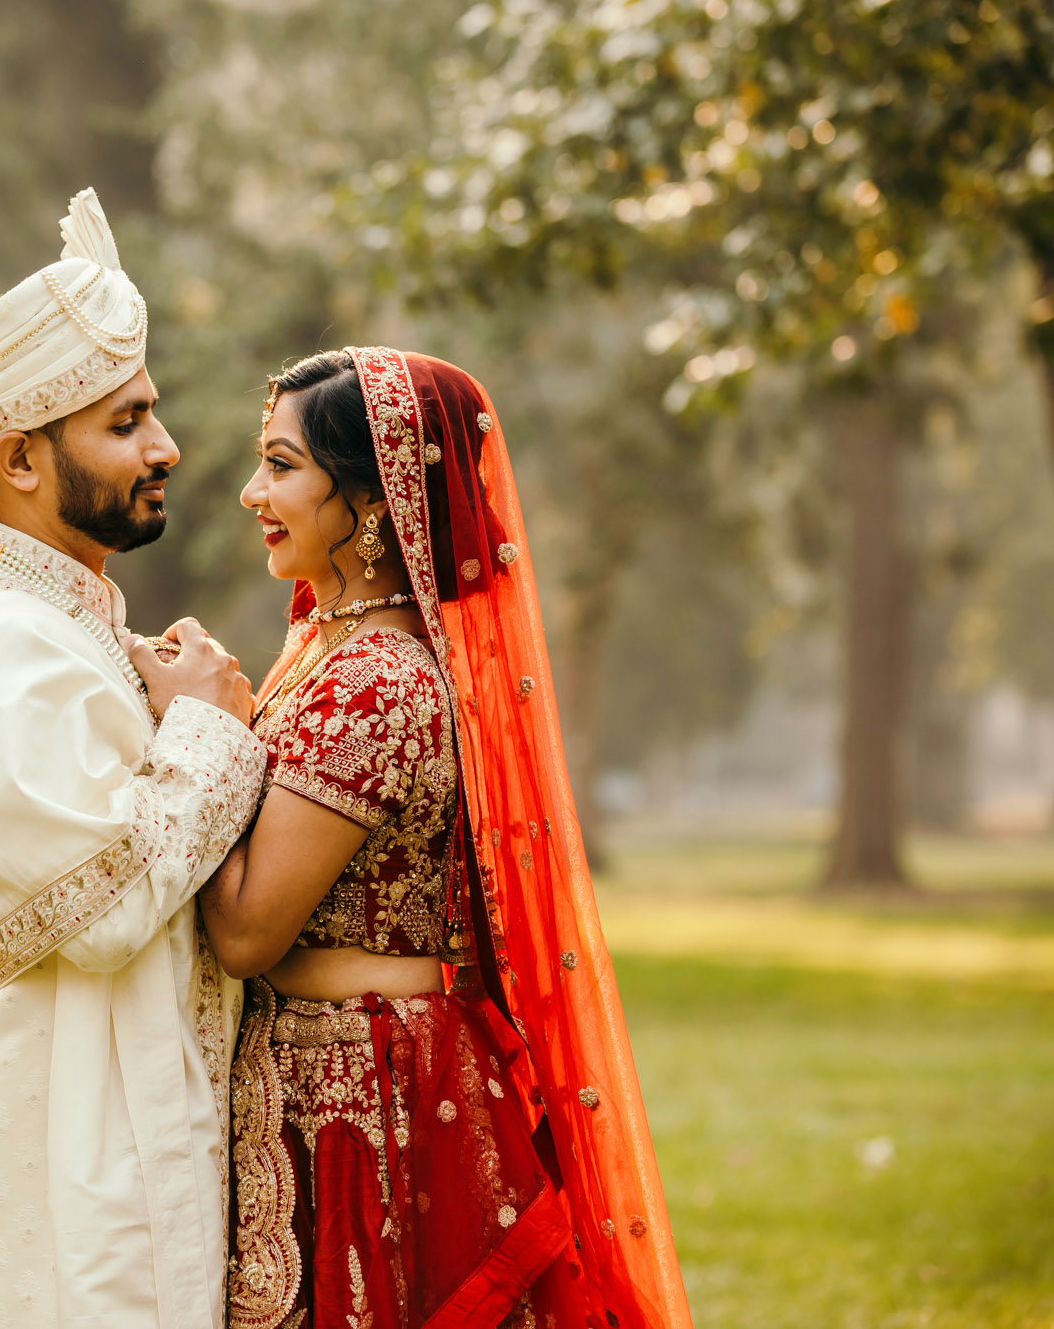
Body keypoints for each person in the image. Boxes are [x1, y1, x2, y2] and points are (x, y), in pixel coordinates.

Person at [0, 188, 269, 1329]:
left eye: (151, 414)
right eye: (124, 424)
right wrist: (209, 726)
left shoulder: (59, 630)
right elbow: (101, 903)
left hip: (142, 1116)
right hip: (75, 1149)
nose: (166, 447)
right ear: (19, 458)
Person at [202, 347, 694, 1329]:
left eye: (284, 465)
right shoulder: (328, 658)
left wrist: (198, 736)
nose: (254, 491)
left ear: (373, 500)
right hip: (317, 1074)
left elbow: (249, 932)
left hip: (358, 1104)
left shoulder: (373, 684)